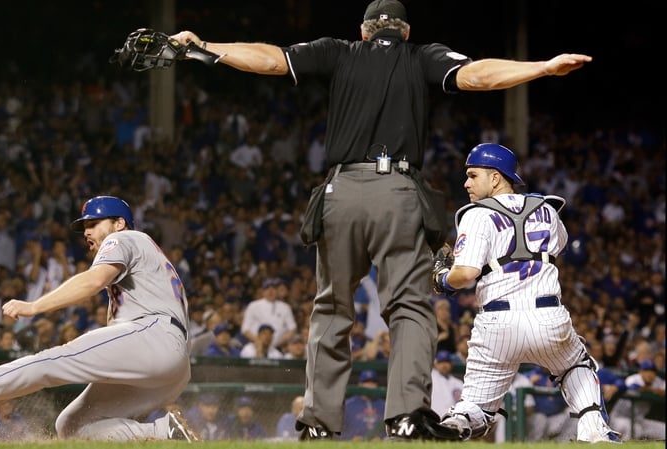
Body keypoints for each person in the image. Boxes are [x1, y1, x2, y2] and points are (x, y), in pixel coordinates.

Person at [171, 0, 592, 440]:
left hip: (341, 190)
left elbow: (272, 59)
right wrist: (542, 67)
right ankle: (407, 415)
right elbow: (477, 75)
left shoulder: (338, 50)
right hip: (397, 191)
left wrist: (204, 45)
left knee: (331, 308)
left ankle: (318, 423)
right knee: (409, 307)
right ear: (406, 32)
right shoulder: (421, 55)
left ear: (364, 30)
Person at [0, 195, 199, 442]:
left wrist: (34, 306)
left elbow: (92, 281)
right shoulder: (147, 262)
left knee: (53, 360)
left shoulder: (124, 237)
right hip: (171, 363)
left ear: (119, 223)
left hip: (154, 337)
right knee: (73, 425)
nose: (87, 232)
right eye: (85, 226)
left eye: (93, 223)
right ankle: (165, 431)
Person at [433, 143, 620, 443]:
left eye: (473, 175)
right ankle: (594, 430)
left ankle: (456, 425)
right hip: (548, 316)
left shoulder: (477, 215)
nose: (466, 183)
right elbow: (556, 248)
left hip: (497, 322)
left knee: (476, 406)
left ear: (495, 178)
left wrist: (443, 279)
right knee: (575, 366)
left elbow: (465, 274)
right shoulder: (546, 208)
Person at [609, 359, 666, 440]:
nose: (650, 374)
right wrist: (653, 390)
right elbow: (632, 387)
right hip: (618, 418)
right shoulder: (633, 379)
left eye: (653, 371)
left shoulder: (657, 382)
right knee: (636, 429)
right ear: (641, 371)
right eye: (647, 370)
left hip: (639, 420)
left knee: (663, 430)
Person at [342, 369, 386, 440]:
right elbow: (340, 431)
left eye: (373, 382)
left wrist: (382, 438)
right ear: (360, 384)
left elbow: (389, 431)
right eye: (366, 382)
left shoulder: (384, 406)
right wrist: (350, 438)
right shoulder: (348, 405)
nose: (370, 385)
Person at [430, 350, 463, 418]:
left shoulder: (459, 383)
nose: (444, 365)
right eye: (441, 362)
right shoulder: (430, 378)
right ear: (435, 364)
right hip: (434, 420)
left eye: (446, 362)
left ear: (451, 364)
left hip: (452, 421)